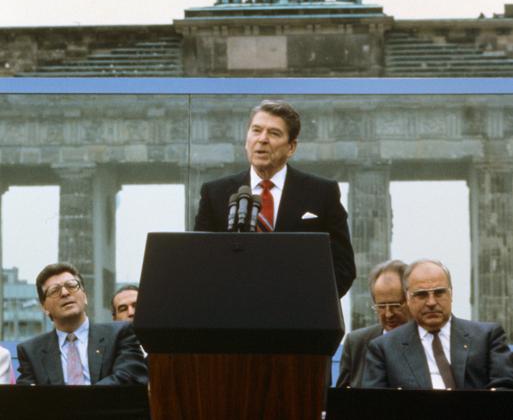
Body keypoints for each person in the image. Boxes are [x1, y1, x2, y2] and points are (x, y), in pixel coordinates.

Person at [194, 99, 356, 298]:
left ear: (291, 147)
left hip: (299, 318)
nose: (262, 139)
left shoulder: (322, 192)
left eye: (274, 133)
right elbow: (200, 262)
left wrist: (310, 306)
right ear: (246, 140)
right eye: (256, 130)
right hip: (233, 317)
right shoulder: (215, 193)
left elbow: (344, 266)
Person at [362, 259, 513, 389]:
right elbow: (375, 405)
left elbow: (504, 393)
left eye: (439, 292)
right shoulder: (385, 349)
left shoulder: (487, 338)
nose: (431, 302)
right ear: (408, 299)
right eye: (421, 294)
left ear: (451, 294)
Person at [16, 262, 148, 386]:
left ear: (85, 296)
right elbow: (27, 399)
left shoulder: (119, 334)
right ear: (44, 307)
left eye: (72, 286)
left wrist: (80, 401)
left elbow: (130, 376)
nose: (65, 293)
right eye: (54, 290)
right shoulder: (31, 352)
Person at [337, 259, 409, 387]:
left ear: (410, 300)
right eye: (381, 306)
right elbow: (342, 401)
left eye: (395, 305)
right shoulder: (356, 343)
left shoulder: (426, 341)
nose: (388, 314)